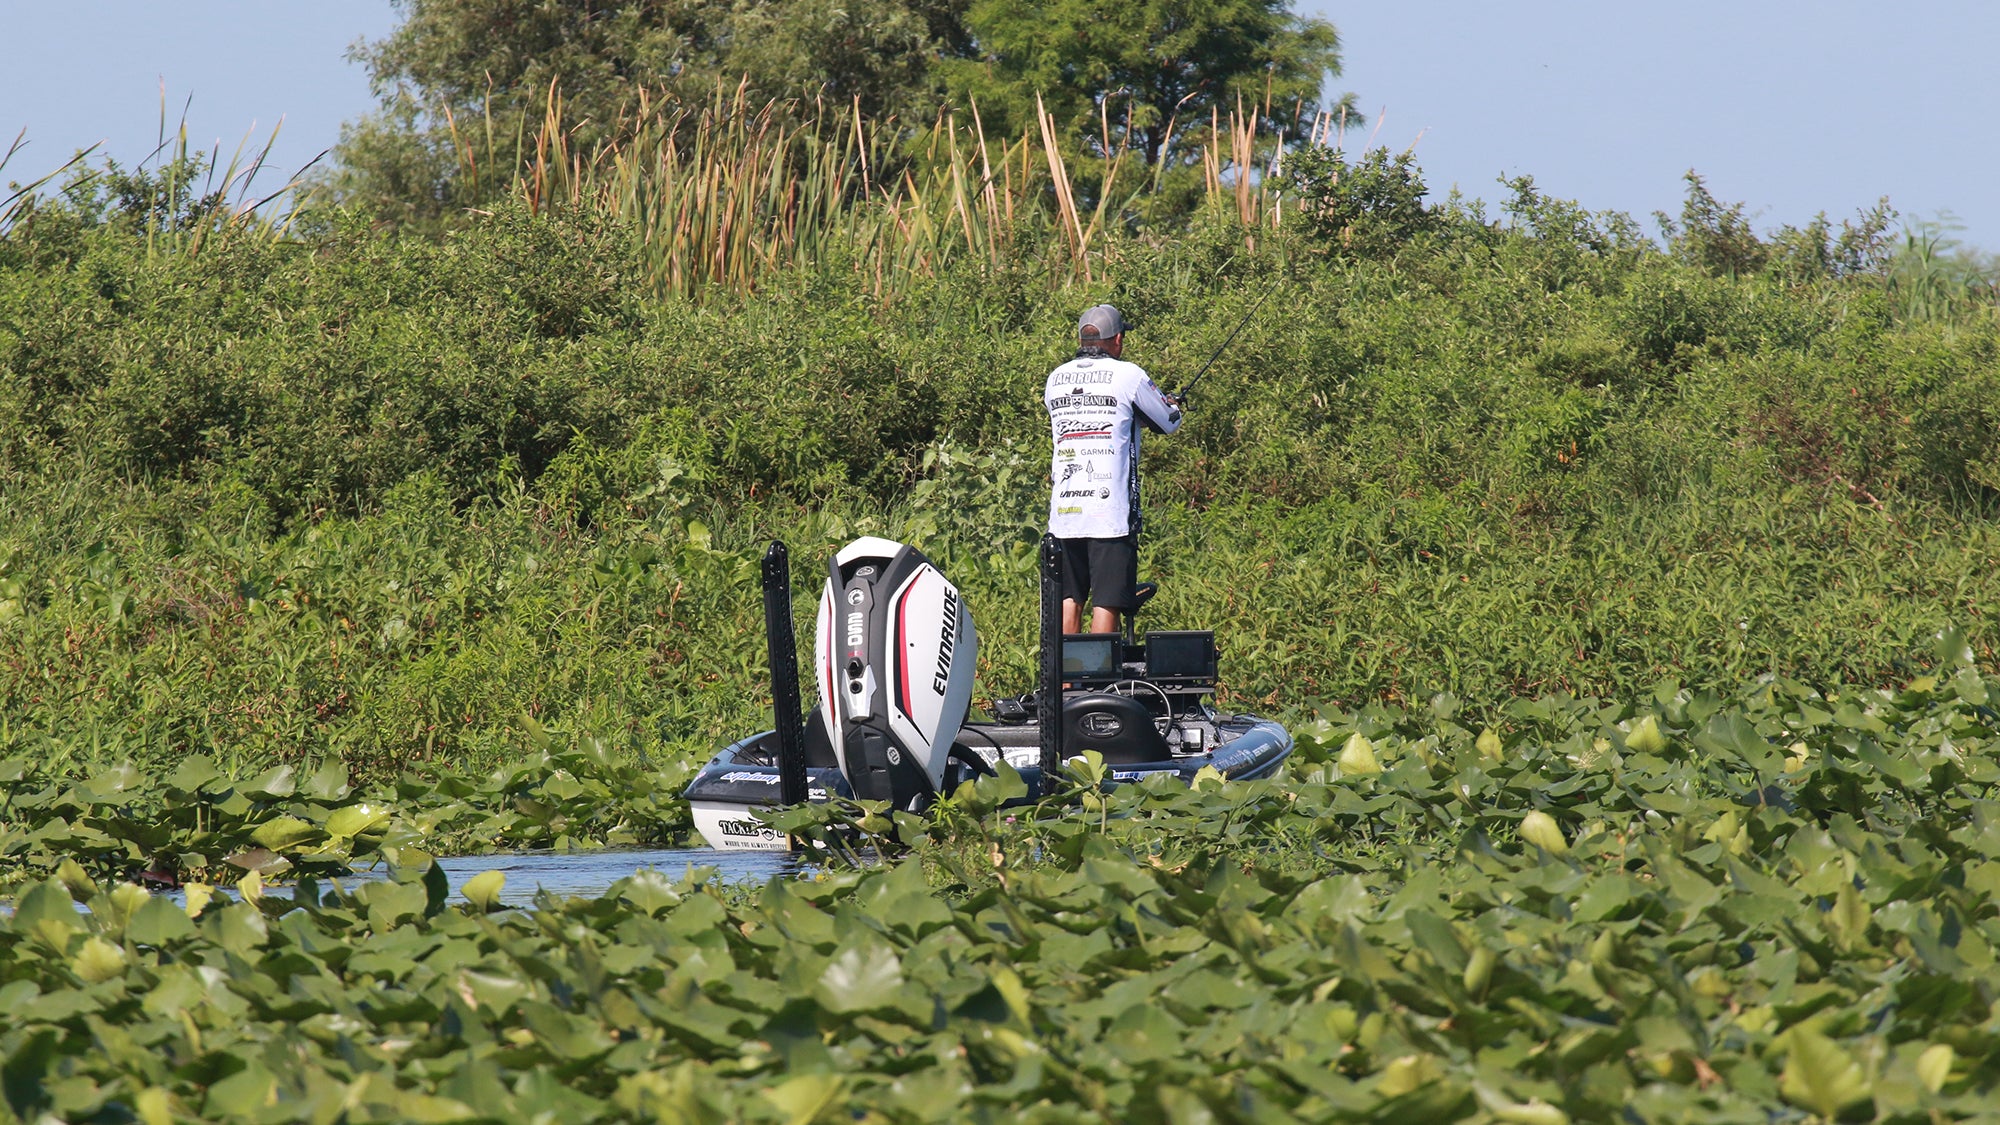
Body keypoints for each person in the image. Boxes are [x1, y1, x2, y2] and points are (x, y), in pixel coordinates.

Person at [1044, 303, 1183, 634]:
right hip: (1109, 514)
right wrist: (1174, 405)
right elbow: (1168, 422)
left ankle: (1063, 685)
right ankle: (1097, 682)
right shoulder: (1128, 375)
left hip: (1064, 512)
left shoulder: (1055, 378)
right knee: (1107, 601)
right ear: (1117, 339)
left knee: (1069, 600)